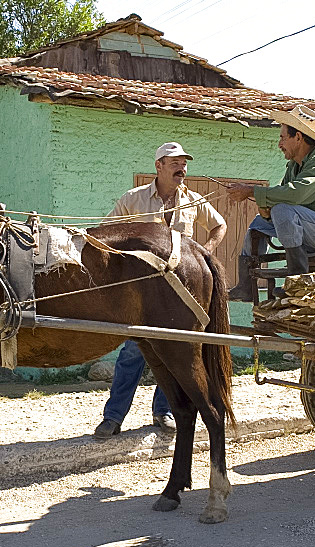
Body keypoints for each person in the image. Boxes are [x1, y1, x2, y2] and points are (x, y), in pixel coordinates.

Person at [93, 142, 227, 440]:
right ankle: (113, 417)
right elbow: (103, 232)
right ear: (159, 166)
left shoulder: (193, 201)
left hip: (179, 292)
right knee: (133, 352)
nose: (182, 168)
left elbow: (220, 226)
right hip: (143, 295)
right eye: (175, 163)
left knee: (176, 352)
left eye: (184, 163)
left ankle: (163, 412)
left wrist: (205, 253)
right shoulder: (134, 199)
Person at [225, 105, 315, 301]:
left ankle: (297, 281)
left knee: (283, 211)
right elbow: (283, 197)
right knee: (258, 224)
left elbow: (296, 196)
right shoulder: (294, 166)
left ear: (298, 137)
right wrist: (266, 212)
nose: (279, 144)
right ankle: (246, 285)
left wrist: (253, 191)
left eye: (282, 137)